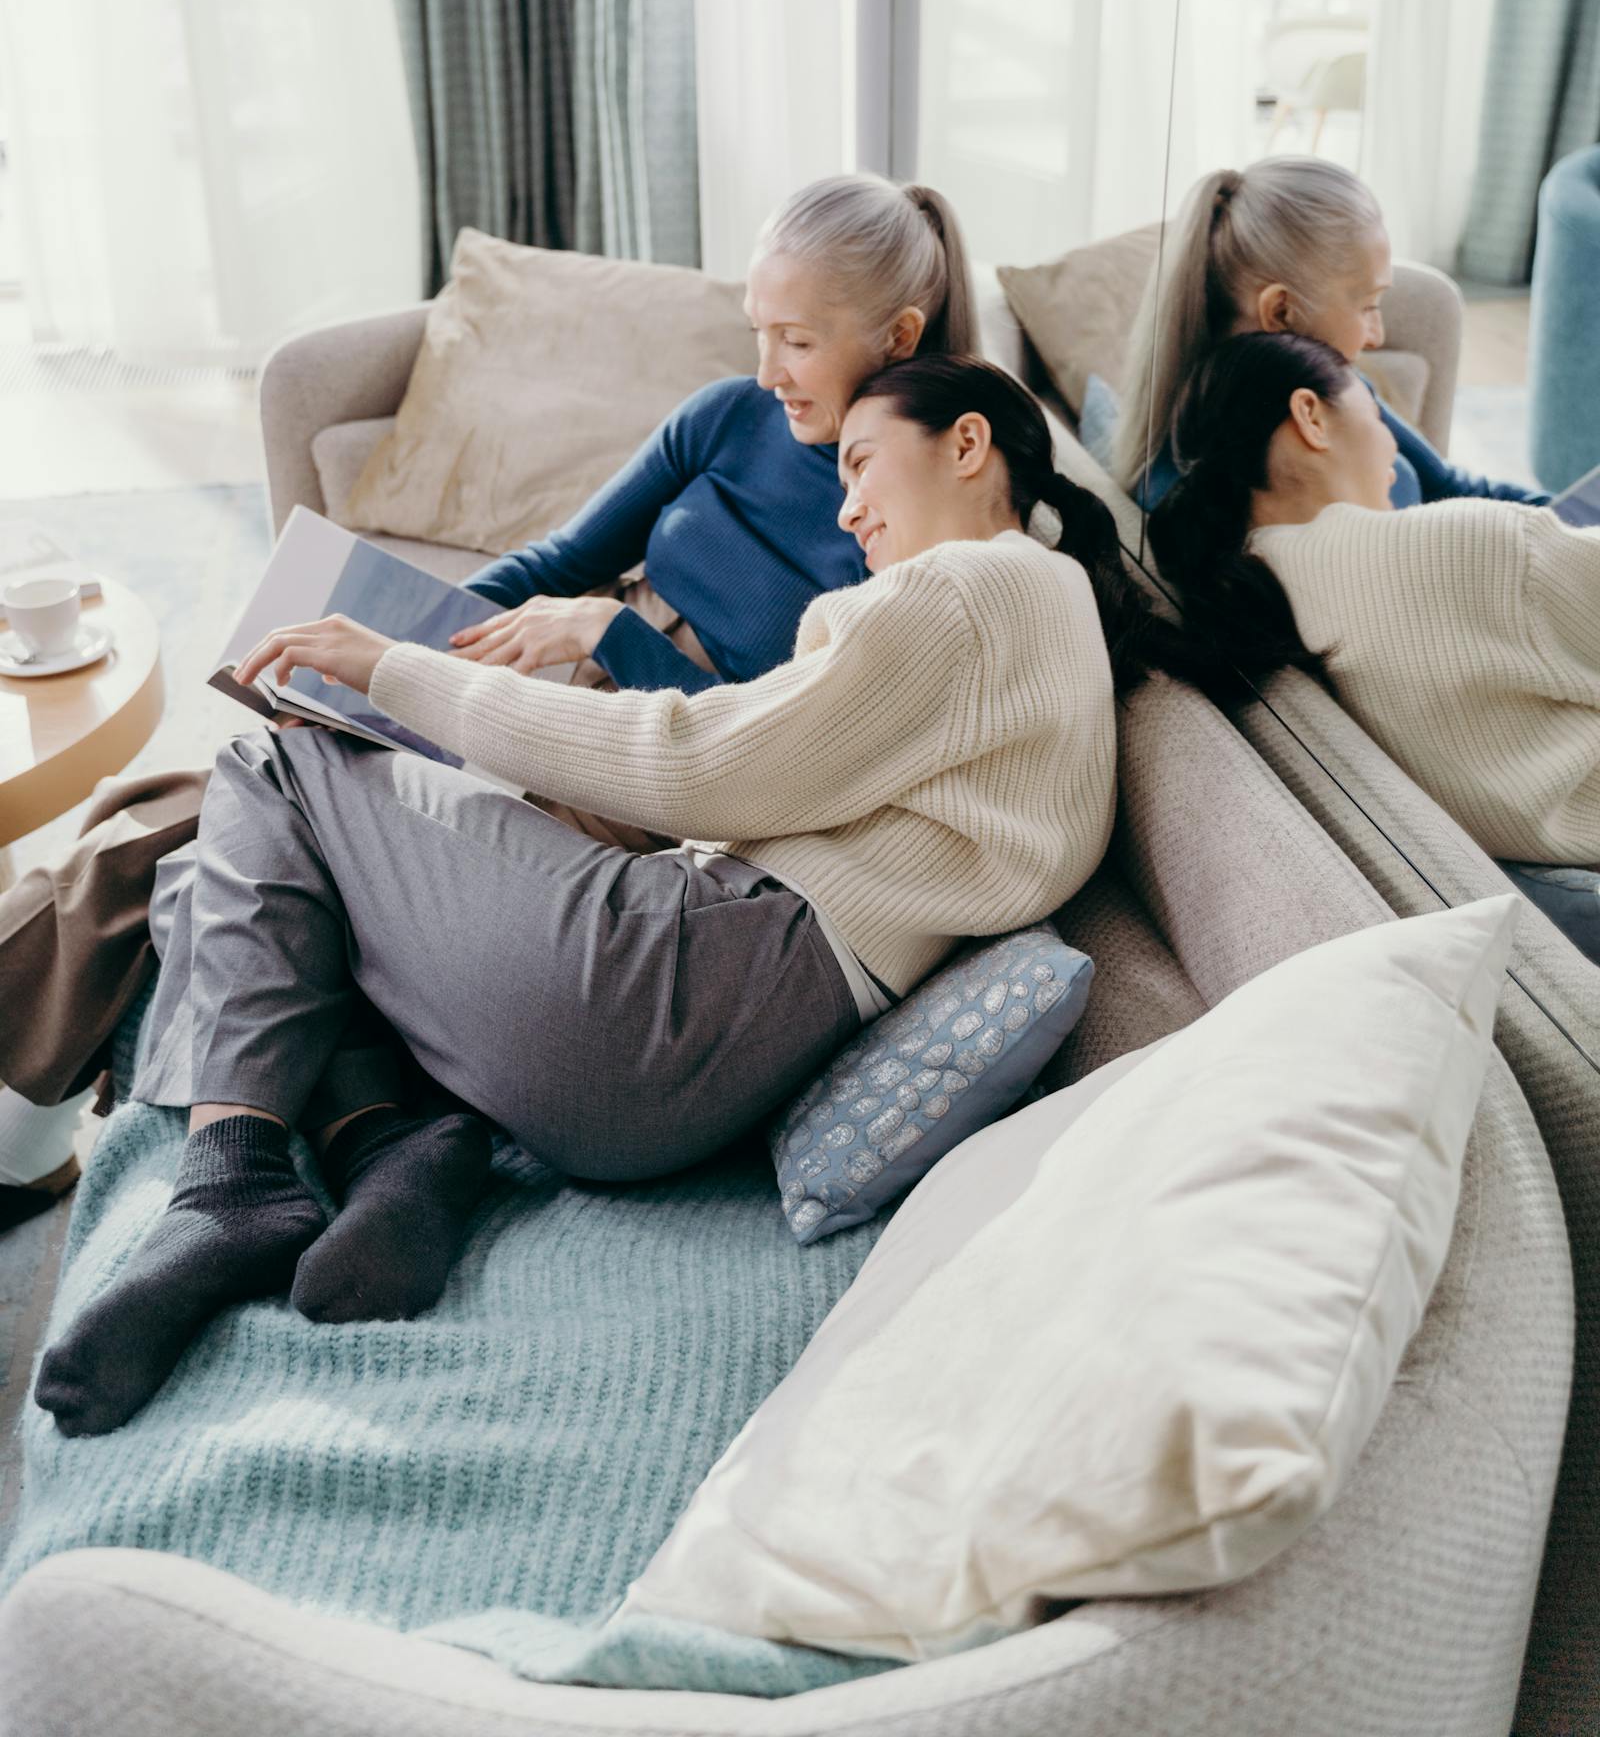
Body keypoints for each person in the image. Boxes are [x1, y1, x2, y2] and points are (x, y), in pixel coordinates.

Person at [34, 356, 1189, 1438]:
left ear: (968, 443)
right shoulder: (1042, 619)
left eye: (858, 464)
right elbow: (747, 788)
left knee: (270, 763)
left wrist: (392, 667)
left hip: (675, 985)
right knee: (257, 866)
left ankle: (233, 1180)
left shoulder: (970, 590)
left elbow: (697, 762)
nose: (844, 512)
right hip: (689, 1076)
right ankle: (393, 1146)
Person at [0, 174, 979, 1221]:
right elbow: (563, 556)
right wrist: (396, 638)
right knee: (190, 809)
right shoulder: (726, 418)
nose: (764, 370)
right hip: (553, 705)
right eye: (756, 331)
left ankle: (45, 1138)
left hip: (651, 784)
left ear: (896, 336)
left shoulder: (906, 527)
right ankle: (152, 1142)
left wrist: (617, 637)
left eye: (794, 341)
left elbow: (752, 756)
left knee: (190, 839)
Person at [1147, 330, 1600, 964]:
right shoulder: (1463, 549)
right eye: (1376, 405)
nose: (1392, 441)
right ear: (1311, 415)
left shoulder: (1251, 597)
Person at [1113, 156, 1548, 511]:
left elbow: (1451, 486)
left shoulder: (1334, 387)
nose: (1377, 335)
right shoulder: (1218, 502)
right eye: (1367, 306)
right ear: (1281, 312)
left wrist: (1566, 522)